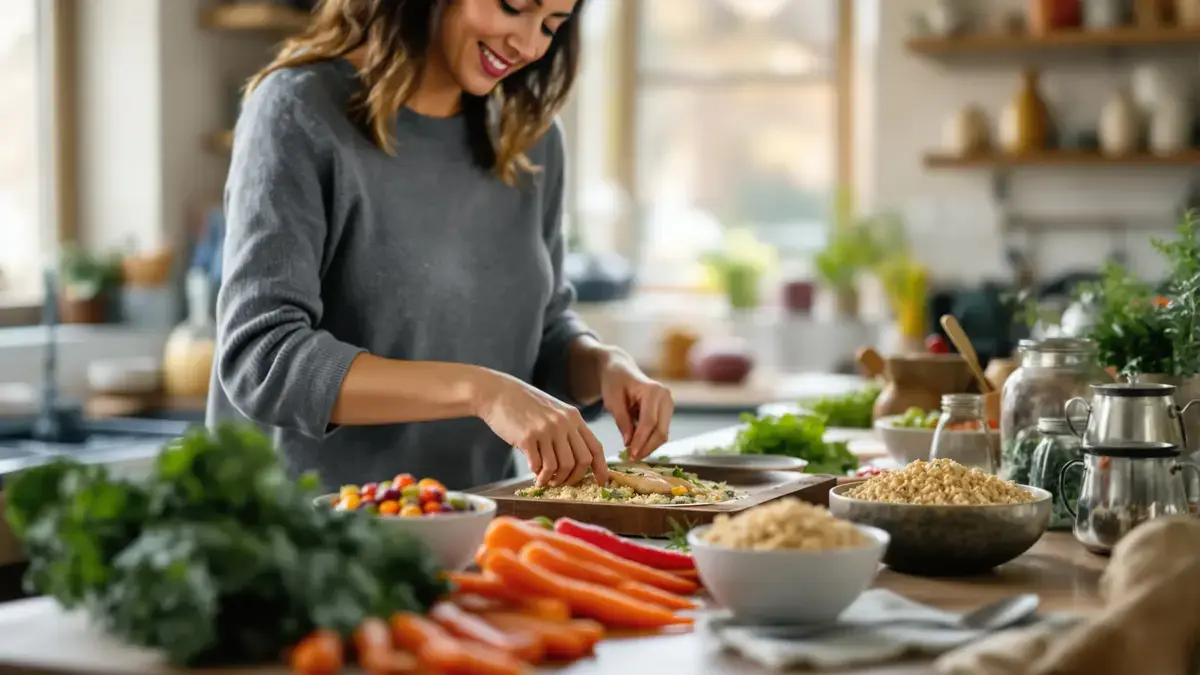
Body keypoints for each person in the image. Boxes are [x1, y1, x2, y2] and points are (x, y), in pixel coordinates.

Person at [205, 0, 675, 492]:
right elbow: (262, 358)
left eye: (552, 25)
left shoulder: (530, 137)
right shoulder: (298, 109)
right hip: (310, 538)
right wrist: (480, 390)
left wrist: (604, 367)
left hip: (472, 522)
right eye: (514, 7)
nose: (530, 43)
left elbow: (544, 335)